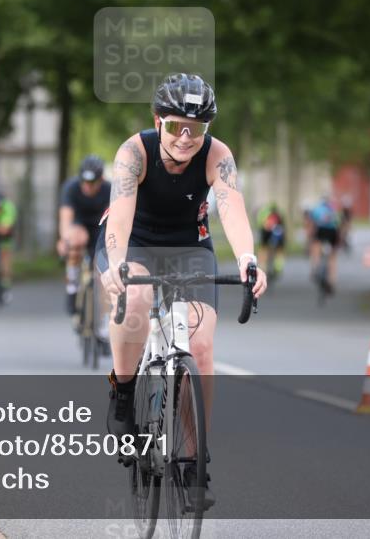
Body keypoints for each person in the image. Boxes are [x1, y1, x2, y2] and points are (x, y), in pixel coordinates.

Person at [97, 73, 268, 508]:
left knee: (201, 347)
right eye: (176, 126)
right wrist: (117, 264)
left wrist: (248, 258)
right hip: (133, 241)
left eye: (197, 128)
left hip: (190, 247)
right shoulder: (134, 153)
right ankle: (123, 390)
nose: (186, 137)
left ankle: (193, 460)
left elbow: (231, 208)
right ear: (158, 122)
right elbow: (118, 216)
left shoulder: (218, 155)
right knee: (135, 300)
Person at [58, 155, 111, 321]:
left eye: (92, 183)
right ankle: (72, 285)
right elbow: (66, 219)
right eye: (84, 182)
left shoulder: (110, 189)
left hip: (101, 228)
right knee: (75, 239)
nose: (87, 187)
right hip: (79, 226)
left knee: (104, 268)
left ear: (101, 179)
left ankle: (104, 318)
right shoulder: (71, 187)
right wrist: (64, 240)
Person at [307, 194, 340, 294]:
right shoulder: (333, 209)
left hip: (321, 230)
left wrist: (310, 236)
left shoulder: (316, 209)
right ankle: (332, 281)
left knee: (315, 247)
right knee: (332, 257)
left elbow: (311, 224)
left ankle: (315, 267)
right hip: (332, 231)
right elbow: (338, 223)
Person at [256, 202, 285, 279]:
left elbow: (260, 224)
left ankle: (262, 266)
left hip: (265, 232)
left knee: (263, 249)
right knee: (279, 250)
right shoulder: (279, 215)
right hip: (277, 232)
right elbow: (282, 226)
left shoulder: (263, 213)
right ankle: (278, 266)